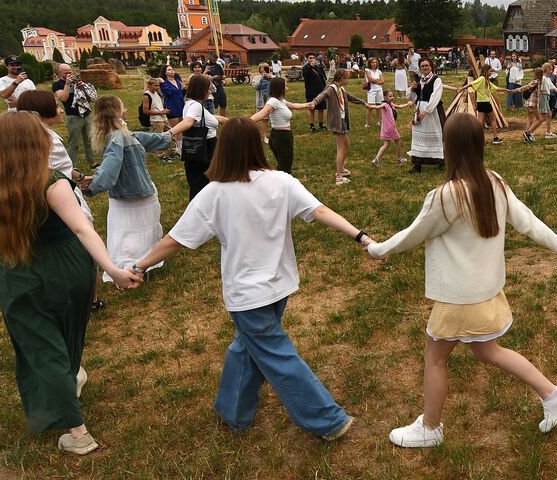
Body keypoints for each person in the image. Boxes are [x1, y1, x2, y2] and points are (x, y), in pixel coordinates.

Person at [131, 118, 364, 440]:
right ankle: (233, 412)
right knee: (247, 346)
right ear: (258, 145)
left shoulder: (214, 193)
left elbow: (175, 240)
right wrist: (361, 237)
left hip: (247, 296)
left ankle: (327, 419)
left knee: (276, 355)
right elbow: (321, 211)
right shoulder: (281, 182)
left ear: (223, 149)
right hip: (279, 287)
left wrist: (139, 265)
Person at [367, 115, 557, 447]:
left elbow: (413, 234)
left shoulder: (446, 195)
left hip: (460, 298)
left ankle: (430, 429)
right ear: (479, 144)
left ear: (449, 146)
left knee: (435, 357)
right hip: (485, 293)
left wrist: (377, 249)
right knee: (488, 351)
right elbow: (530, 223)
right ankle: (552, 394)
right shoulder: (494, 182)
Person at [0, 112, 141, 455]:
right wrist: (112, 268)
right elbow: (82, 228)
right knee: (65, 333)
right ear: (37, 142)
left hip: (18, 272)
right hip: (68, 269)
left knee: (41, 345)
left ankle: (77, 431)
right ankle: (70, 385)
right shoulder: (53, 182)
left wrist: (112, 267)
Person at [82, 96, 174, 282]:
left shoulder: (121, 135)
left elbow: (145, 139)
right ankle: (130, 269)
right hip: (134, 196)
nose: (126, 111)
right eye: (123, 107)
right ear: (117, 112)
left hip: (134, 194)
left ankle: (139, 264)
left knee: (130, 232)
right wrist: (94, 186)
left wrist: (171, 135)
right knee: (129, 233)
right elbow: (111, 166)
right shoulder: (118, 137)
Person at [167, 73, 218, 201]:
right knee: (202, 184)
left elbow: (210, 118)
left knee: (200, 181)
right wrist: (169, 133)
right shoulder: (195, 106)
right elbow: (189, 121)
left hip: (200, 147)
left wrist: (236, 122)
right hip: (205, 148)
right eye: (208, 88)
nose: (210, 91)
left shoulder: (192, 104)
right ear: (201, 89)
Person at [252, 76, 310, 176]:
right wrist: (243, 122)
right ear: (280, 88)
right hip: (281, 138)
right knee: (285, 168)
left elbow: (294, 105)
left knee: (283, 165)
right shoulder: (273, 101)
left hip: (281, 136)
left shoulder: (281, 101)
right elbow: (262, 114)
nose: (287, 88)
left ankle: (280, 182)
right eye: (285, 86)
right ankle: (283, 186)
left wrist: (308, 104)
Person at [409, 57, 455, 169]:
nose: (424, 67)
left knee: (435, 134)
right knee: (418, 135)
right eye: (422, 66)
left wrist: (426, 111)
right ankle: (417, 163)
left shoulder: (436, 80)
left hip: (432, 110)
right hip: (420, 107)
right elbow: (412, 97)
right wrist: (412, 89)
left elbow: (436, 96)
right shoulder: (419, 80)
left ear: (431, 67)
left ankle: (440, 161)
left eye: (427, 65)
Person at [52, 63, 97, 168]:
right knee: (74, 143)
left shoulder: (78, 81)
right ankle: (72, 166)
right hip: (73, 116)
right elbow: (63, 98)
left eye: (70, 71)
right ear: (59, 74)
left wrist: (83, 88)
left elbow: (90, 99)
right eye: (66, 72)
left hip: (86, 114)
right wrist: (67, 84)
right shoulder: (57, 85)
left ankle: (92, 162)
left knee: (89, 140)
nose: (69, 74)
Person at [469, 67, 504, 144]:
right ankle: (495, 138)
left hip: (480, 103)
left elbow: (496, 88)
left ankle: (479, 140)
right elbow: (471, 84)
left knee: (480, 122)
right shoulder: (482, 78)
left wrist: (508, 90)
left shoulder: (487, 81)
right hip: (485, 103)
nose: (491, 73)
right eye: (490, 71)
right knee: (493, 119)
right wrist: (462, 88)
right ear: (486, 71)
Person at [363, 57, 385, 128]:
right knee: (370, 107)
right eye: (372, 62)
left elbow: (383, 81)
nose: (374, 64)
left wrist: (377, 81)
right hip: (371, 90)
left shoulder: (379, 71)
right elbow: (371, 79)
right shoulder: (367, 70)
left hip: (379, 90)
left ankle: (379, 121)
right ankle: (367, 123)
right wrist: (378, 80)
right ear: (369, 63)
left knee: (379, 106)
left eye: (375, 62)